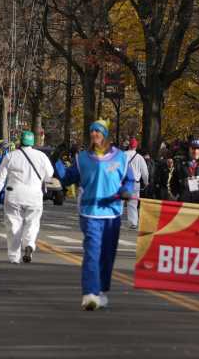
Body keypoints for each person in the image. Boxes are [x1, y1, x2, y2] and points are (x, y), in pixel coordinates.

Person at [59, 121, 136, 311]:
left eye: (98, 131)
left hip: (112, 213)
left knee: (107, 255)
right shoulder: (82, 158)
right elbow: (67, 178)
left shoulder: (120, 158)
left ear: (104, 134)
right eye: (92, 131)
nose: (94, 133)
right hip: (90, 212)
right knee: (92, 252)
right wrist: (57, 163)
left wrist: (126, 191)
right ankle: (90, 294)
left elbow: (129, 180)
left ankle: (101, 291)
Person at [0, 130, 55, 264]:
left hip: (14, 194)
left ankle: (14, 257)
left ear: (20, 141)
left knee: (13, 224)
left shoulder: (11, 156)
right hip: (34, 195)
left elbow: (0, 176)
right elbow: (49, 174)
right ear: (33, 142)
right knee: (32, 222)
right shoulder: (41, 156)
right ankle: (29, 245)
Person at [123, 138, 149, 229]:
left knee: (119, 201)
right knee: (133, 203)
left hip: (123, 182)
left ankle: (113, 219)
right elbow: (145, 172)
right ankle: (133, 222)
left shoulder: (123, 155)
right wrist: (146, 182)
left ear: (128, 145)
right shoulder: (139, 157)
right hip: (135, 183)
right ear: (136, 146)